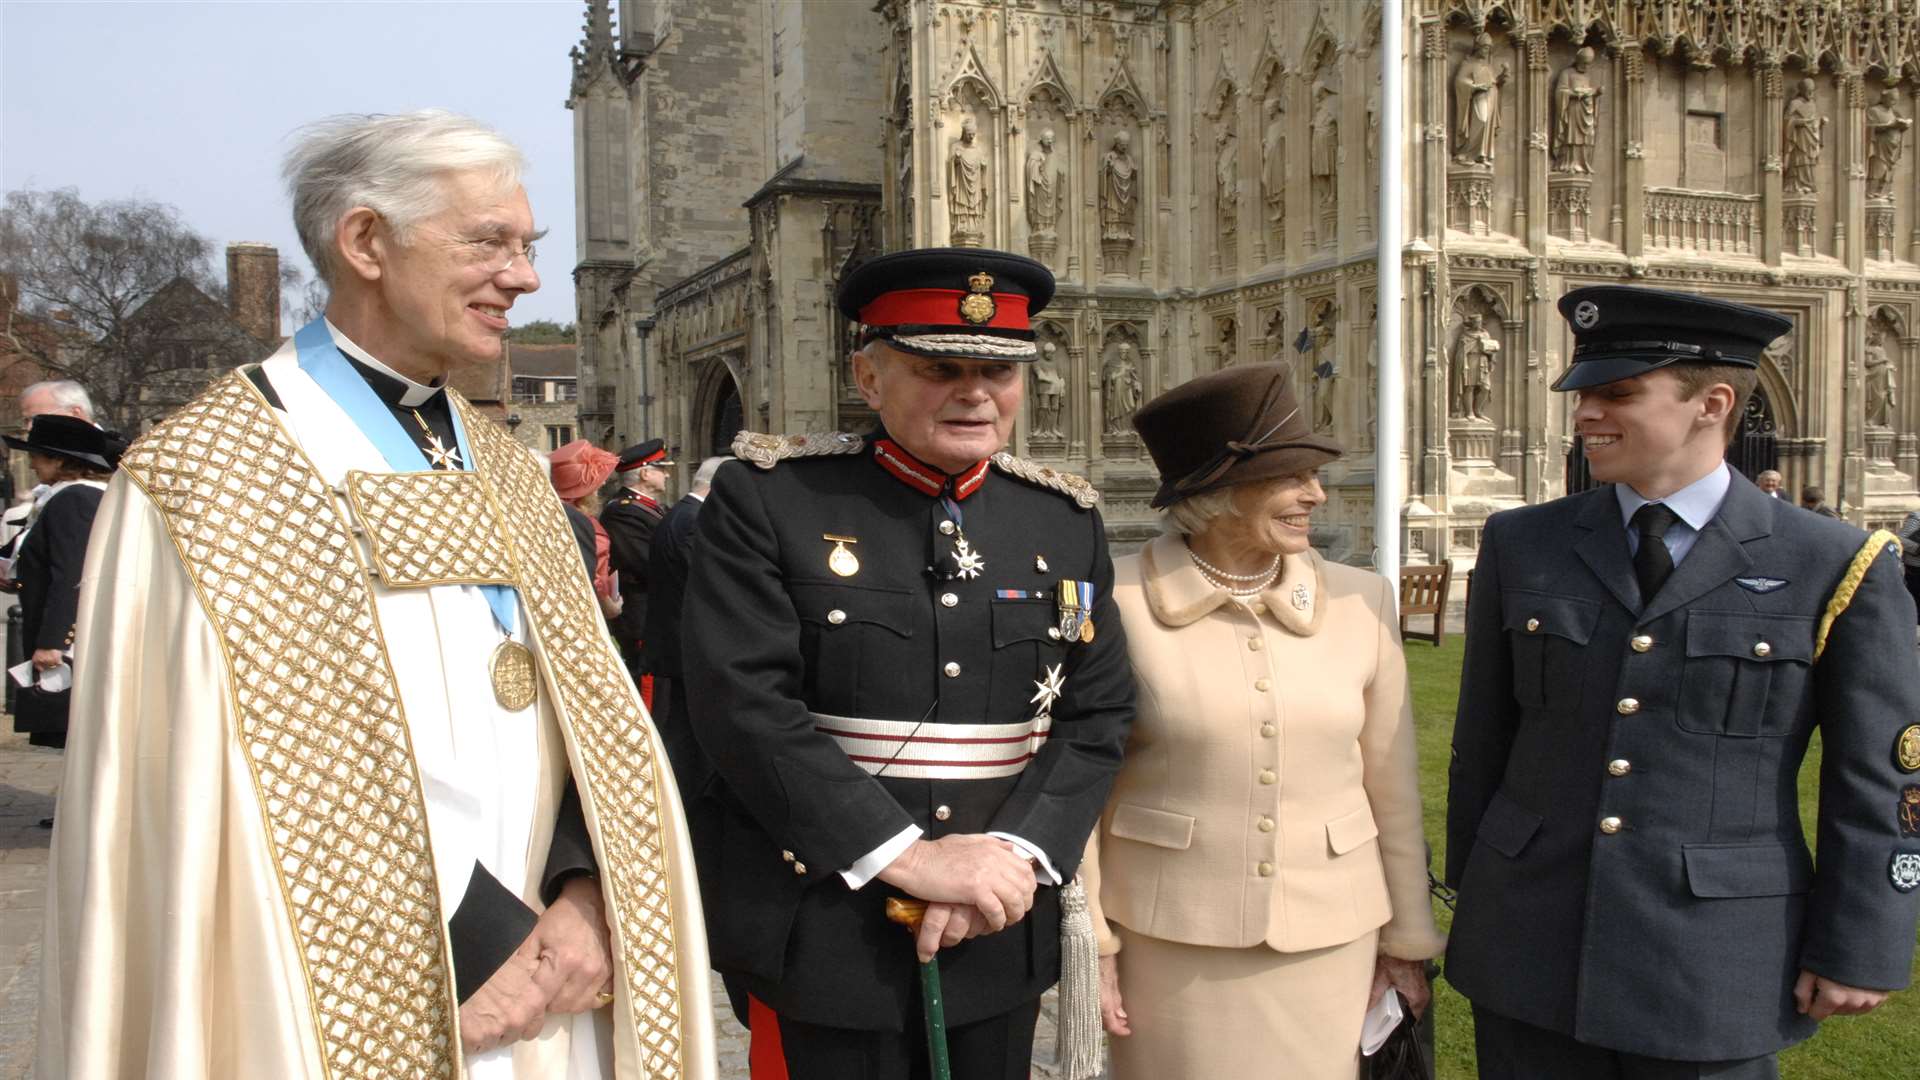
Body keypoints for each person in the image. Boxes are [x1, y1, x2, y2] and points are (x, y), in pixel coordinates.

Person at [38, 110, 715, 1080]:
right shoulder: (209, 475)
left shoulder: (508, 469)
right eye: (489, 242)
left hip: (563, 978)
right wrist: (471, 950)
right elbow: (207, 797)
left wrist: (585, 889)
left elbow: (590, 721)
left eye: (528, 247)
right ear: (365, 242)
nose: (524, 277)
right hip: (335, 993)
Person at [680, 247, 1135, 1079]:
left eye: (999, 372)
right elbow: (743, 705)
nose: (974, 392)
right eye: (939, 367)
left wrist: (1010, 858)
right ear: (867, 375)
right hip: (825, 920)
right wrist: (910, 859)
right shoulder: (772, 500)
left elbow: (1097, 715)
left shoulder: (1063, 520)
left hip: (1000, 919)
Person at [1446, 285, 1920, 1079]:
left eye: (1618, 393)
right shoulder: (1524, 542)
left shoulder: (1833, 563)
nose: (1585, 414)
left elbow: (1881, 781)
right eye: (1583, 393)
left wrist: (1861, 942)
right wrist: (1477, 889)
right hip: (1531, 942)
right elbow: (1483, 742)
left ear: (1714, 403)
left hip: (1711, 959)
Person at [1082, 363, 1442, 1077]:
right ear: (1212, 494)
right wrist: (1091, 944)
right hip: (1171, 945)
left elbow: (1391, 788)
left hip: (1333, 940)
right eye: (1291, 476)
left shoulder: (1364, 600)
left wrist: (1406, 935)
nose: (1315, 494)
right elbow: (1082, 790)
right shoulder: (1110, 601)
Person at [3, 415, 116, 754]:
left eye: (38, 455)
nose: (32, 463)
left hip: (72, 641)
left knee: (77, 730)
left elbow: (72, 574)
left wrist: (54, 641)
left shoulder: (74, 499)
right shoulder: (70, 497)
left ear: (60, 460)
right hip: (76, 635)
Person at [640, 454, 727, 787]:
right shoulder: (692, 520)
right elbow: (705, 580)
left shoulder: (680, 514)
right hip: (683, 644)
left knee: (682, 728)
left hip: (675, 641)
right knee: (686, 737)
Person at [602, 438, 672, 697]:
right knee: (648, 685)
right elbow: (643, 562)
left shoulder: (648, 508)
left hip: (657, 612)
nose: (666, 474)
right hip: (641, 614)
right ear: (645, 473)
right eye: (661, 468)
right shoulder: (623, 512)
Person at [548, 438, 623, 621]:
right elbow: (594, 578)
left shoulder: (551, 514)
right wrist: (610, 607)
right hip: (584, 613)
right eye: (597, 482)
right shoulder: (585, 525)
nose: (603, 485)